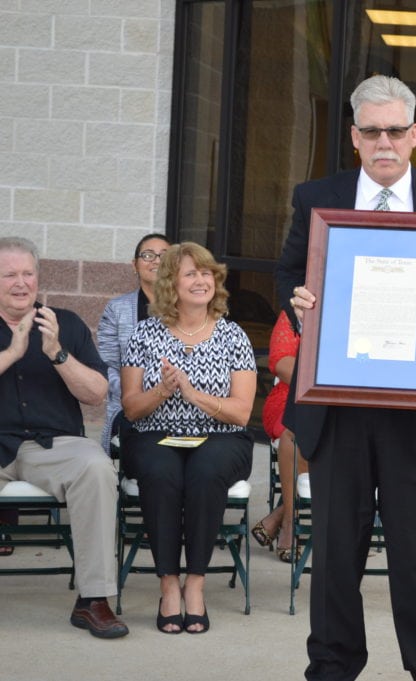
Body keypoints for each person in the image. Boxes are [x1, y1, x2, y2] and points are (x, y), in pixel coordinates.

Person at [277, 75, 416, 681]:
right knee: (336, 555)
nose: (384, 142)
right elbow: (287, 274)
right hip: (336, 401)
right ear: (353, 136)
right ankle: (331, 667)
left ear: (414, 135)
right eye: (371, 131)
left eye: (395, 131)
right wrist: (295, 299)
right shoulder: (315, 197)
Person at [120, 242, 256, 634]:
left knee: (205, 472)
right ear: (171, 284)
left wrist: (193, 395)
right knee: (162, 474)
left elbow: (242, 412)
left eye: (206, 272)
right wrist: (163, 390)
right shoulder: (145, 335)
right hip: (153, 433)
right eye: (190, 273)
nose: (201, 280)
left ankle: (195, 582)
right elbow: (131, 408)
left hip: (221, 437)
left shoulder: (233, 336)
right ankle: (168, 585)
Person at [0, 236, 128, 638]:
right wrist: (13, 353)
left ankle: (94, 600)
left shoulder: (65, 323)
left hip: (52, 445)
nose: (21, 283)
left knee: (96, 467)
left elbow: (97, 393)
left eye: (28, 273)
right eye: (9, 274)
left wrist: (56, 352)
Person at [97, 233, 172, 454]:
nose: (156, 261)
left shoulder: (189, 307)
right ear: (135, 265)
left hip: (180, 405)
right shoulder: (117, 309)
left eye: (164, 256)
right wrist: (137, 393)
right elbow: (106, 366)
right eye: (148, 255)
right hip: (131, 406)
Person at [252, 308, 307, 562]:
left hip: (340, 405)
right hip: (291, 396)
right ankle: (290, 522)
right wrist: (327, 376)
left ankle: (283, 512)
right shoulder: (295, 312)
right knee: (294, 429)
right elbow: (281, 363)